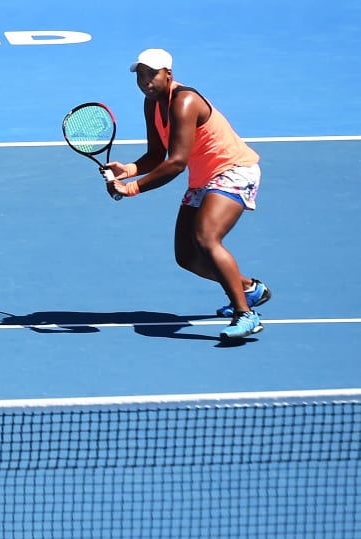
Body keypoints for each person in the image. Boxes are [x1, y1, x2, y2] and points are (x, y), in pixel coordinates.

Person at [106, 48, 270, 340]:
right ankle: (249, 288)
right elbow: (157, 155)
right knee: (187, 256)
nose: (145, 81)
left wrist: (131, 189)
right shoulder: (152, 104)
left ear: (168, 74)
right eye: (140, 75)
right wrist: (128, 170)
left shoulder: (185, 101)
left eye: (151, 74)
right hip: (204, 178)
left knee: (206, 238)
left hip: (234, 170)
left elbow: (177, 163)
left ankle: (245, 314)